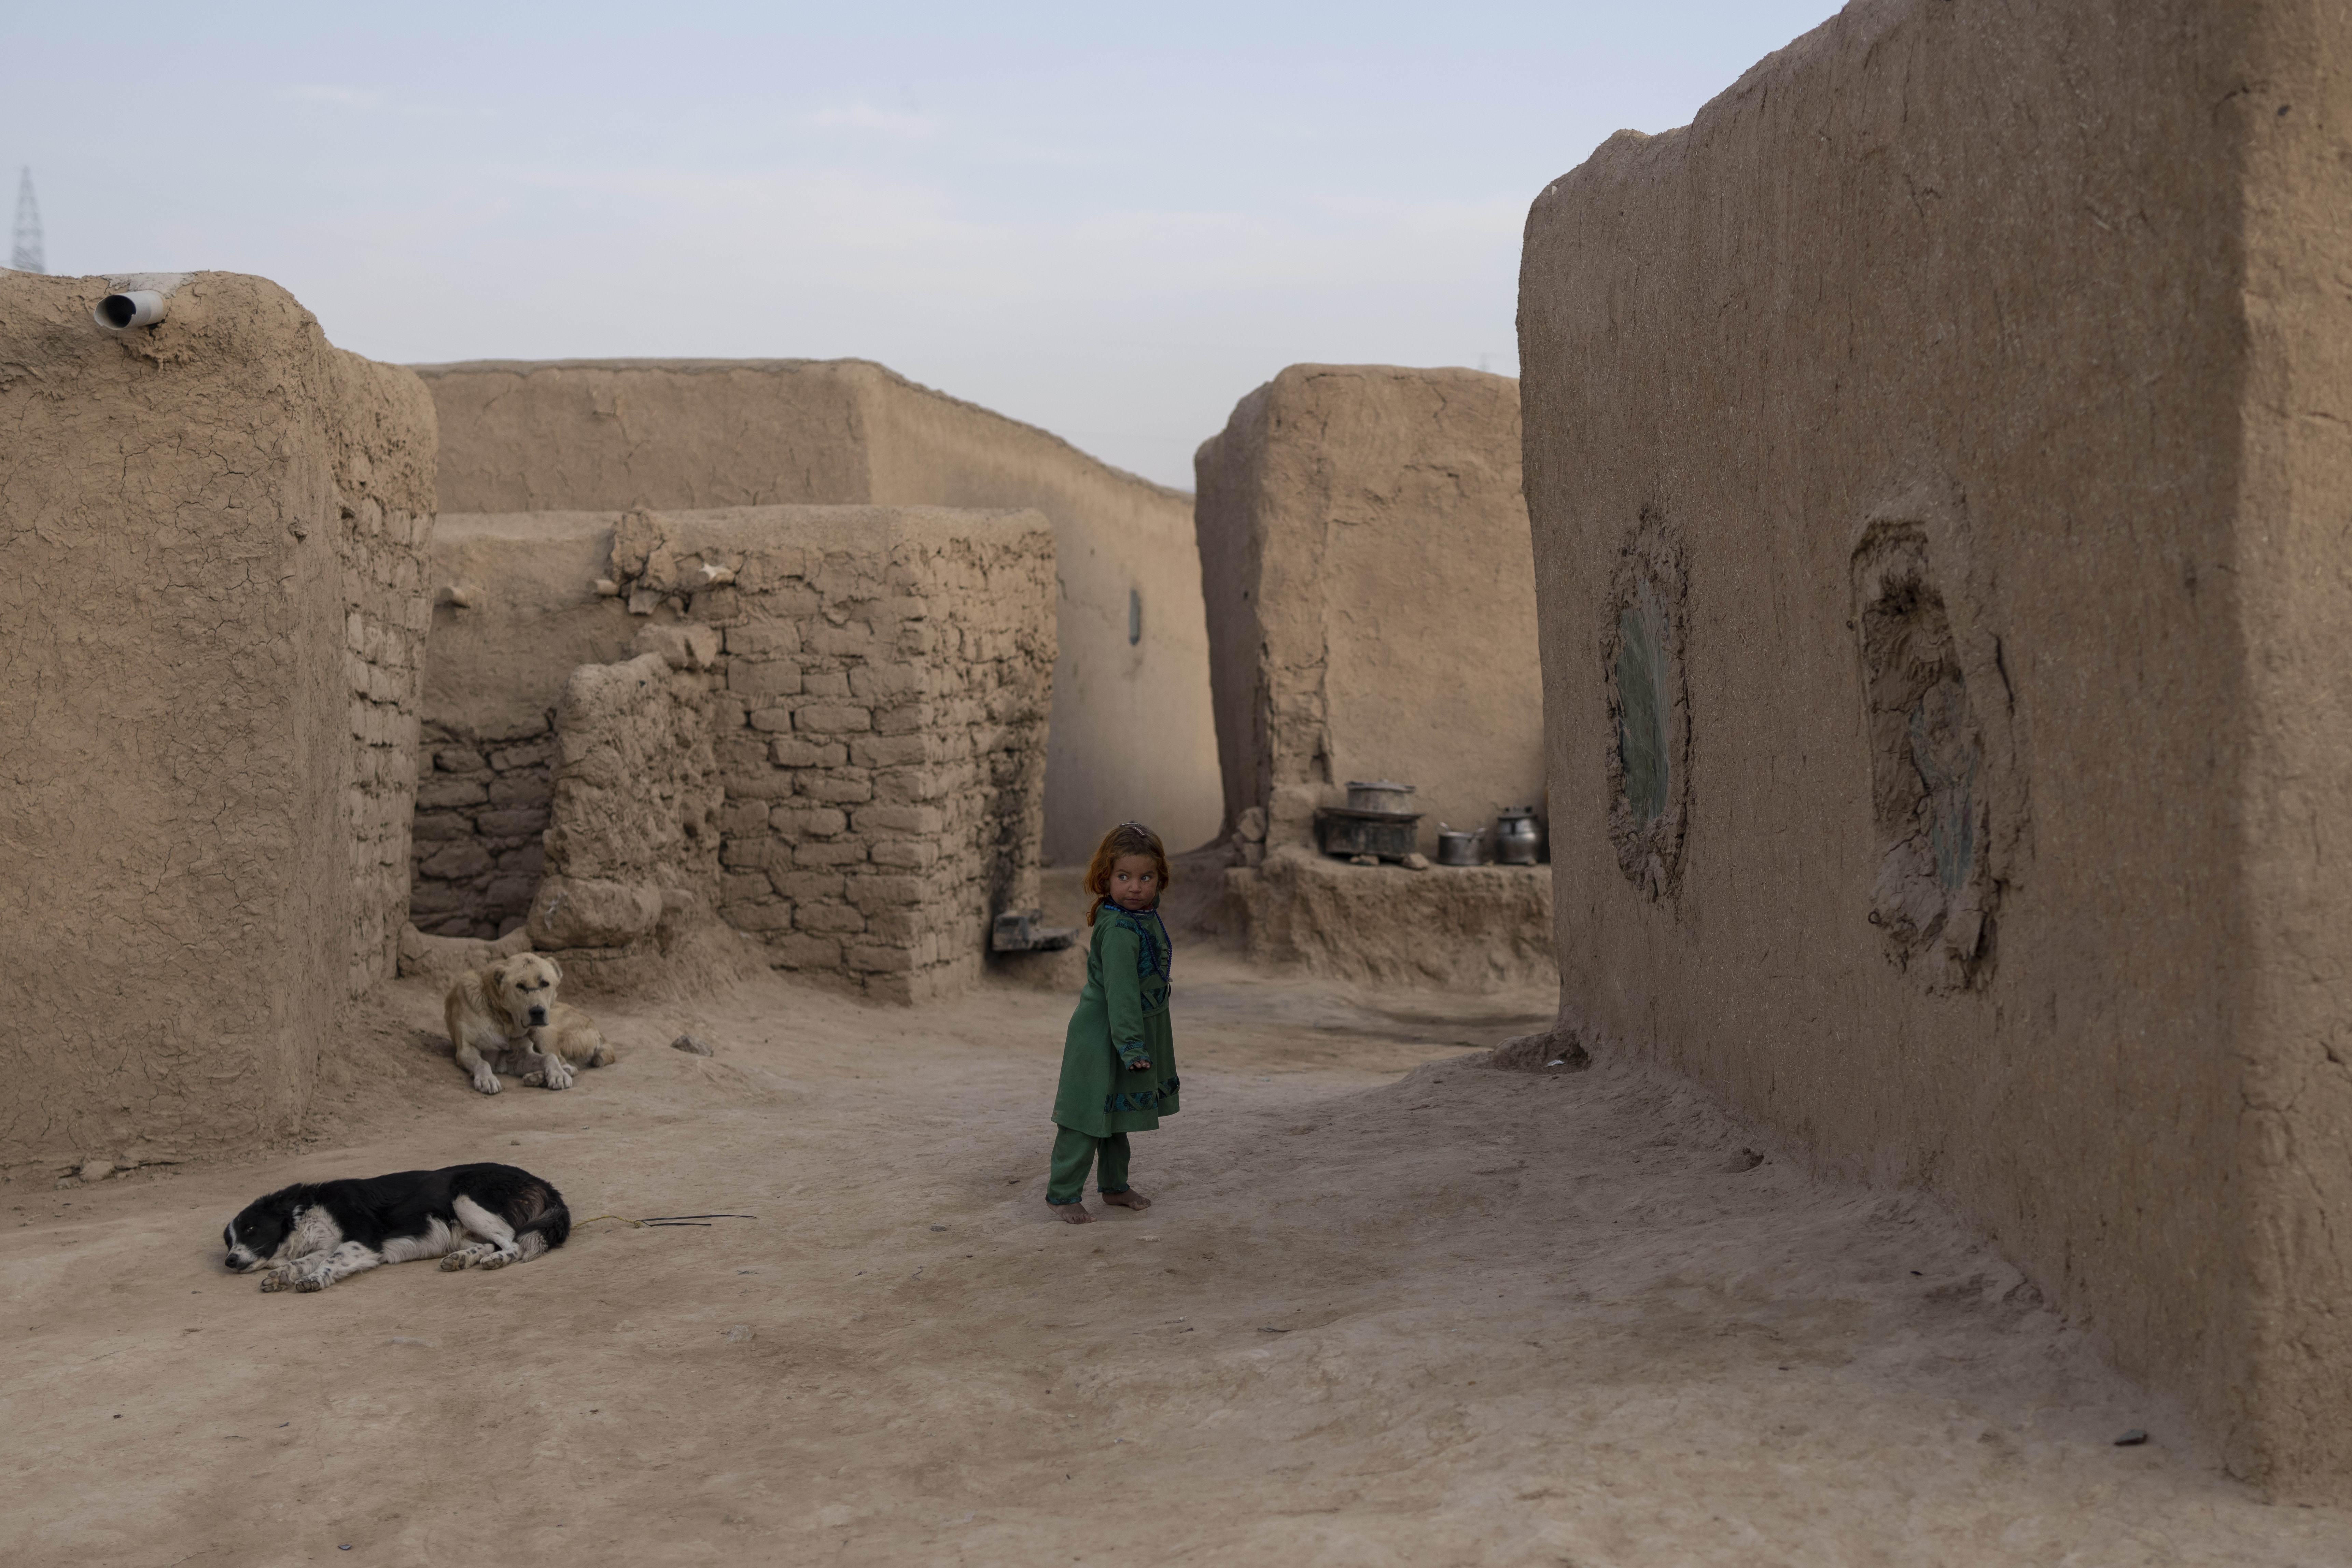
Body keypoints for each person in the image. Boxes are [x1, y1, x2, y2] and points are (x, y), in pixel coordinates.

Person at [1046, 821, 1179, 1223]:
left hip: (1125, 1033)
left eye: (1146, 877)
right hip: (1105, 1034)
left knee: (1115, 1114)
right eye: (1124, 877)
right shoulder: (1121, 929)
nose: (1135, 886)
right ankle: (1062, 1193)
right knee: (1087, 1117)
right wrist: (1133, 1046)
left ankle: (1115, 1187)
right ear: (1106, 877)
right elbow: (1121, 995)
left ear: (1160, 879)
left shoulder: (1141, 917)